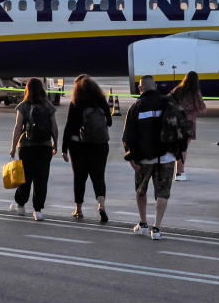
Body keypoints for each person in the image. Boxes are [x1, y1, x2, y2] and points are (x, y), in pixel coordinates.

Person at [122, 75, 174, 241]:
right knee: (163, 192)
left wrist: (131, 157)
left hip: (144, 158)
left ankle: (143, 224)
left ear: (140, 88)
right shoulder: (169, 103)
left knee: (140, 190)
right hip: (166, 156)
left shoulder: (136, 107)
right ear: (156, 86)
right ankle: (157, 228)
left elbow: (128, 136)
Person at [61, 74, 112, 222]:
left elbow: (69, 127)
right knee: (98, 176)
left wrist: (64, 148)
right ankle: (101, 205)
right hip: (100, 144)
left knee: (79, 177)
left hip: (79, 145)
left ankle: (78, 209)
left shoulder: (76, 102)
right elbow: (108, 122)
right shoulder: (101, 101)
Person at [8, 78, 58, 221]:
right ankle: (38, 210)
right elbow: (54, 126)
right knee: (41, 178)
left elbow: (18, 128)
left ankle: (21, 205)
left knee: (25, 177)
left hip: (26, 147)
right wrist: (55, 143)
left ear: (27, 90)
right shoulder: (49, 106)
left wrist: (13, 147)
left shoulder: (23, 106)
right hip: (45, 146)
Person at [168, 70, 206, 181]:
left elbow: (168, 101)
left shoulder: (178, 90)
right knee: (183, 149)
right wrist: (192, 111)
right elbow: (202, 108)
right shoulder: (195, 93)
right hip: (189, 124)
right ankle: (180, 173)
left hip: (177, 122)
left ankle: (177, 171)